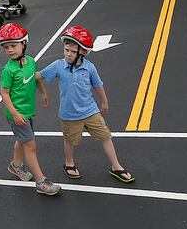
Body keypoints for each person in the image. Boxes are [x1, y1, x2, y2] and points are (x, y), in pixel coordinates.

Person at [36, 26, 134, 183]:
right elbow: (39, 75)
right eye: (66, 49)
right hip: (69, 115)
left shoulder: (89, 67)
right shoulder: (58, 65)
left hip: (90, 111)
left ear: (82, 52)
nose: (68, 53)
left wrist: (104, 101)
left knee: (106, 136)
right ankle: (69, 164)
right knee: (69, 140)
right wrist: (23, 73)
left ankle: (116, 166)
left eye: (73, 51)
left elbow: (98, 85)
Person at [0, 23, 61, 196]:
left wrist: (44, 92)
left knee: (23, 140)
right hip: (17, 114)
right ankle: (41, 182)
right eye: (6, 47)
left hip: (27, 111)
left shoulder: (31, 61)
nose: (10, 50)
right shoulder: (8, 70)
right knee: (30, 146)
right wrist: (15, 114)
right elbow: (4, 93)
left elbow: (34, 77)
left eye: (13, 45)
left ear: (24, 44)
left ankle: (15, 166)